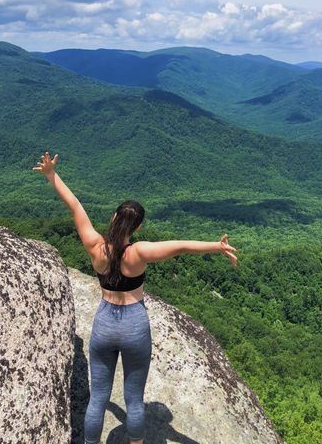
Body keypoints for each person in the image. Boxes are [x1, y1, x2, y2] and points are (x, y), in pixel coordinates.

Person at [32, 150, 238, 444]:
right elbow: (179, 247)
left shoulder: (96, 247)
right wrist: (216, 246)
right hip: (134, 324)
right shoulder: (138, 253)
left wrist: (52, 175)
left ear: (114, 217)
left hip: (104, 324)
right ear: (138, 227)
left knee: (98, 398)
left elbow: (75, 205)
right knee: (134, 400)